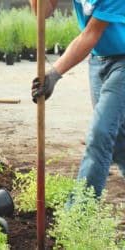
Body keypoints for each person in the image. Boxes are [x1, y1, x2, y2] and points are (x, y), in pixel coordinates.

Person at [29, 0, 125, 198]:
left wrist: (54, 74)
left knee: (101, 133)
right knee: (118, 142)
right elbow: (43, 12)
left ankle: (77, 216)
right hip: (99, 60)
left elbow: (91, 33)